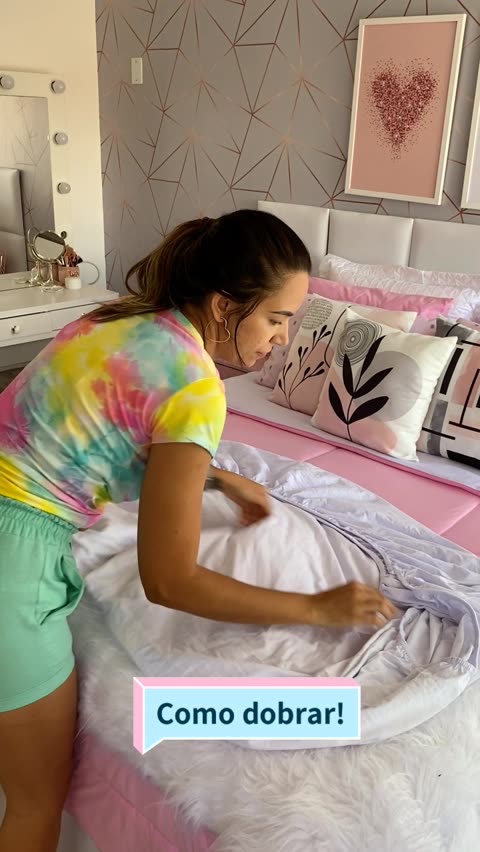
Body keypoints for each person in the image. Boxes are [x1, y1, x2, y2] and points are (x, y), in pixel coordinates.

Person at [0, 209, 395, 852]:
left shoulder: (114, 321)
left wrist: (215, 477)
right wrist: (317, 608)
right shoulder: (195, 387)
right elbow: (169, 580)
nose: (282, 341)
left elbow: (102, 423)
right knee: (33, 806)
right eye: (277, 319)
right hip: (13, 568)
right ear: (223, 306)